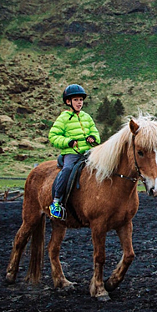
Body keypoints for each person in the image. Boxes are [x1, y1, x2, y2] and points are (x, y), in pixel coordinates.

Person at [48, 84, 100, 220]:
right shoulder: (63, 118)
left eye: (81, 100)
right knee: (67, 169)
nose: (79, 103)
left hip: (88, 152)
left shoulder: (87, 117)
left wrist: (93, 138)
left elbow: (95, 133)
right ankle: (56, 202)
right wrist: (68, 142)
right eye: (76, 100)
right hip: (71, 153)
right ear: (68, 102)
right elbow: (53, 136)